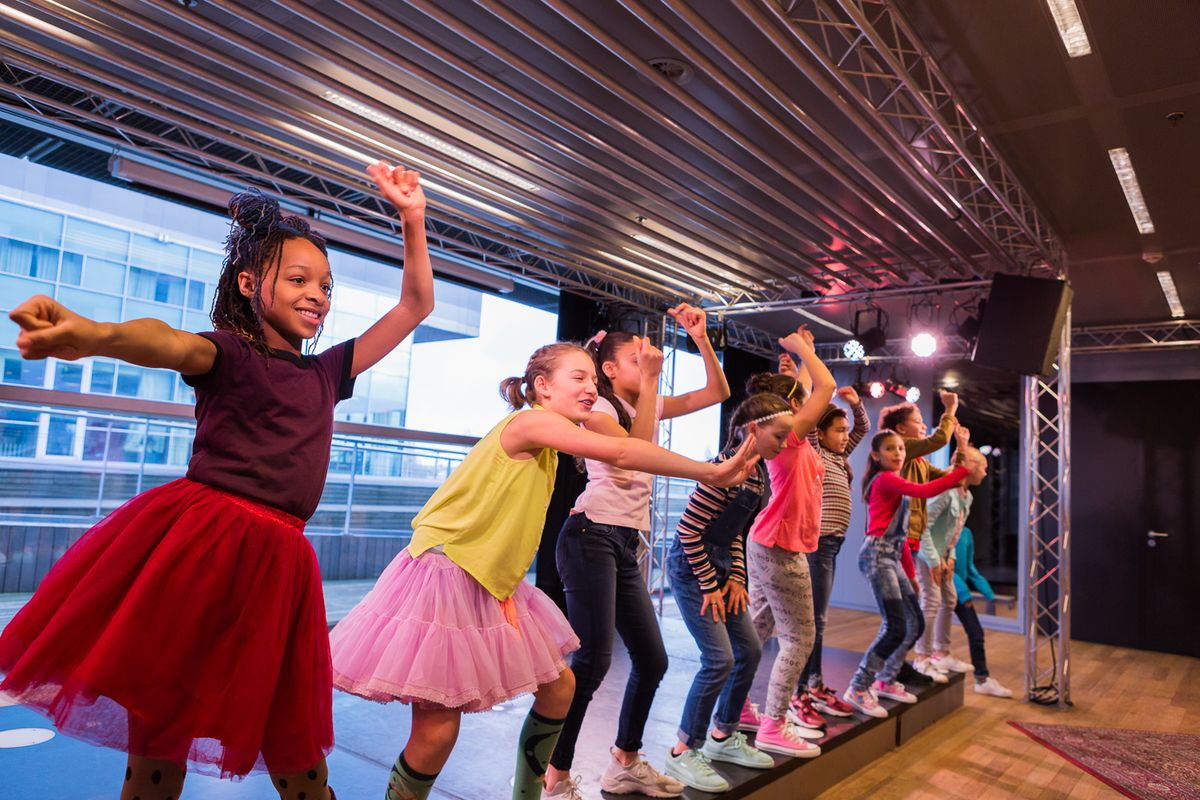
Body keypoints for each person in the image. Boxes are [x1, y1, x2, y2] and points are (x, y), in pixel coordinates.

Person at [0, 162, 435, 800]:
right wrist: (95, 335)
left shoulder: (327, 372)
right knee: (161, 721)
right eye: (298, 280)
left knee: (287, 734)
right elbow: (168, 343)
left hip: (278, 562)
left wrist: (413, 219)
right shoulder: (228, 353)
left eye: (325, 285)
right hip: (202, 548)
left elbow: (416, 305)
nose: (318, 295)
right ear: (250, 283)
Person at [328, 342, 760, 800]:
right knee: (437, 729)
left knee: (559, 689)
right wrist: (709, 473)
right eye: (579, 378)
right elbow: (621, 453)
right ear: (542, 386)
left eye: (594, 380)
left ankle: (531, 794)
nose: (591, 388)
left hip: (488, 579)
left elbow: (628, 445)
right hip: (446, 571)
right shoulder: (530, 422)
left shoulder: (553, 435)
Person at [546, 304, 729, 799]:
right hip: (590, 536)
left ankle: (624, 761)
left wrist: (701, 338)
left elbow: (717, 393)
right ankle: (555, 776)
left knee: (652, 660)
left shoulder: (646, 403)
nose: (651, 362)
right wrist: (650, 384)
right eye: (637, 358)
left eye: (651, 358)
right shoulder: (600, 412)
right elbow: (636, 453)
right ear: (609, 369)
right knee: (592, 663)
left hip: (624, 542)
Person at [664, 392, 807, 794]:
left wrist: (737, 579)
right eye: (778, 435)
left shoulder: (758, 475)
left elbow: (736, 535)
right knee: (718, 659)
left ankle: (723, 735)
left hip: (722, 569)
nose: (783, 443)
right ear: (753, 430)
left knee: (749, 650)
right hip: (692, 570)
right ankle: (683, 749)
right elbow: (688, 532)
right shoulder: (721, 470)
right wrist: (710, 585)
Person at [740, 328, 836, 756]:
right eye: (801, 397)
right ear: (795, 406)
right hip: (778, 546)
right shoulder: (791, 434)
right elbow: (825, 388)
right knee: (799, 638)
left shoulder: (792, 434)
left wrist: (799, 364)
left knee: (758, 630)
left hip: (768, 541)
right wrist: (804, 351)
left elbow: (808, 391)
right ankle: (774, 725)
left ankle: (738, 707)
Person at [842, 430, 969, 718]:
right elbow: (925, 491)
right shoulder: (885, 479)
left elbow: (899, 539)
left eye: (901, 448)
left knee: (915, 622)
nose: (898, 453)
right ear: (876, 455)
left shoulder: (895, 483)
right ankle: (859, 687)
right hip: (877, 557)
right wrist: (962, 470)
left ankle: (886, 678)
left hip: (892, 557)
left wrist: (910, 576)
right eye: (890, 449)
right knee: (896, 626)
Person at [795, 387, 869, 718]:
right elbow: (810, 423)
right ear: (821, 434)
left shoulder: (838, 457)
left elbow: (863, 428)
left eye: (844, 431)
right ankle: (801, 691)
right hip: (819, 544)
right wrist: (821, 396)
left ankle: (813, 684)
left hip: (832, 545)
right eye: (838, 430)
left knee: (819, 620)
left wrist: (855, 404)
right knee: (814, 621)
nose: (844, 436)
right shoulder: (816, 454)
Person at [914, 441, 986, 677]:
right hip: (927, 555)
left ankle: (941, 652)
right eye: (983, 467)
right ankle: (922, 656)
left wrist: (951, 555)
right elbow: (923, 526)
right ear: (969, 466)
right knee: (931, 600)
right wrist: (934, 560)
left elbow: (954, 530)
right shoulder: (945, 491)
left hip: (943, 555)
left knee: (950, 599)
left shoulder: (967, 497)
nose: (985, 472)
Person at [953, 527, 1015, 698]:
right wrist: (964, 594)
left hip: (958, 592)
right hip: (941, 589)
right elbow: (945, 567)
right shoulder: (943, 529)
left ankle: (982, 680)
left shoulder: (966, 533)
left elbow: (970, 568)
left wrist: (988, 593)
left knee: (976, 634)